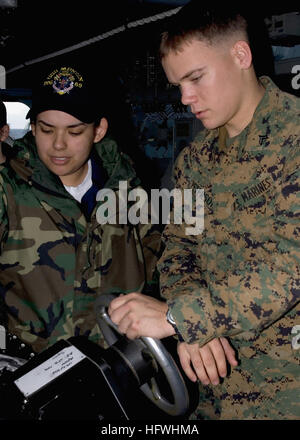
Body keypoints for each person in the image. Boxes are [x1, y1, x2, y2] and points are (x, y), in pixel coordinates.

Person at [108, 2, 300, 420]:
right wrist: (191, 323)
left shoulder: (294, 140)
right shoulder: (194, 162)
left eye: (196, 78)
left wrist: (181, 319)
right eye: (178, 84)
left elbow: (290, 268)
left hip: (285, 392)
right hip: (210, 387)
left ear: (240, 55)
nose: (185, 98)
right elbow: (178, 247)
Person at [0, 65, 161, 355]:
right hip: (35, 369)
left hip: (120, 369)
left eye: (75, 131)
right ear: (33, 128)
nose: (58, 145)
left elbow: (156, 268)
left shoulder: (129, 192)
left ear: (98, 130)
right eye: (47, 130)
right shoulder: (8, 190)